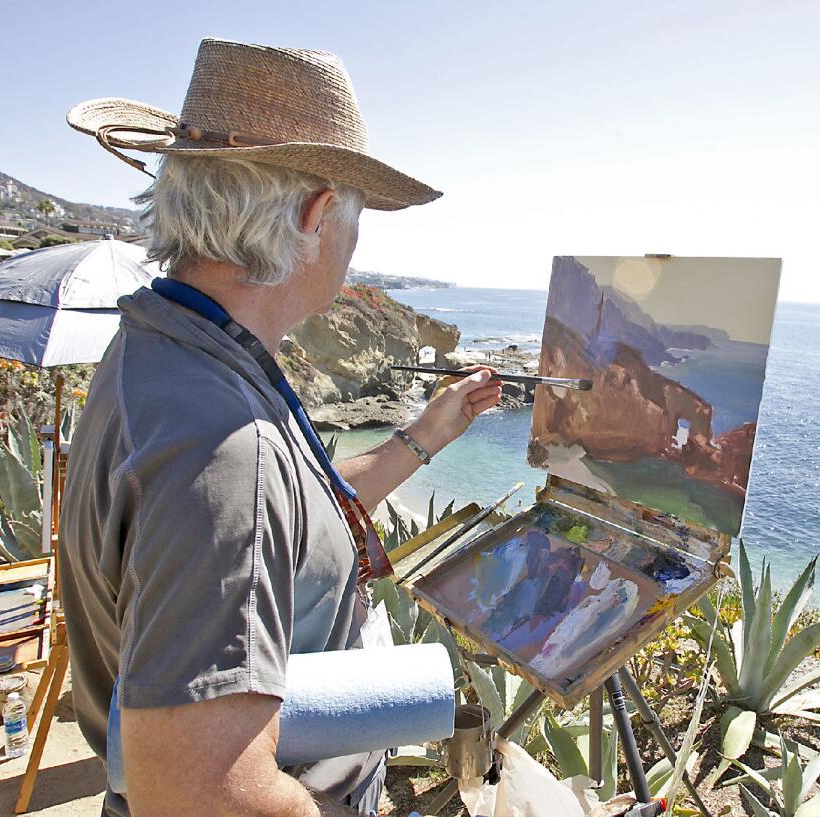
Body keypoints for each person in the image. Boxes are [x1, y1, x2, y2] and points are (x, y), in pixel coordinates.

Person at [59, 38, 501, 816]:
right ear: (316, 214)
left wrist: (427, 433)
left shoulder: (166, 353)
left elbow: (292, 513)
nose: (355, 254)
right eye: (357, 225)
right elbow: (204, 793)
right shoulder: (224, 449)